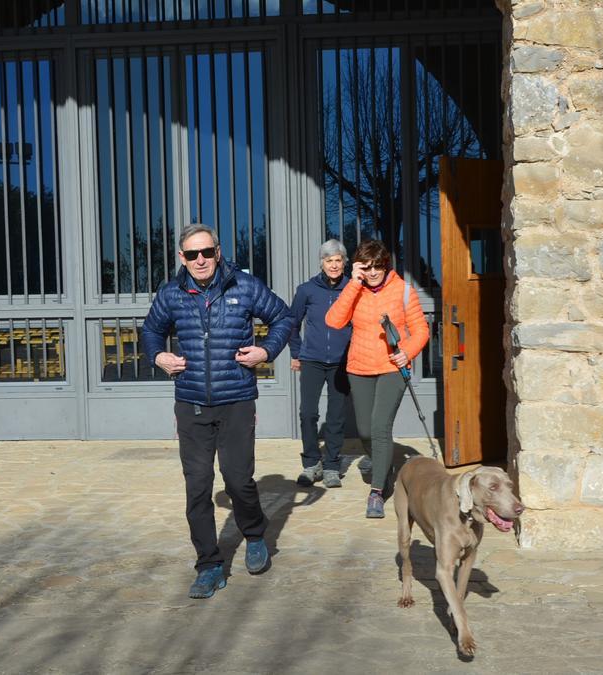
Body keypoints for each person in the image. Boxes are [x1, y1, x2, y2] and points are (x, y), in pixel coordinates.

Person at [142, 223, 295, 599]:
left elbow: (284, 317)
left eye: (206, 252)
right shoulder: (172, 293)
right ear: (182, 258)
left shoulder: (244, 287)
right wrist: (159, 355)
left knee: (238, 478)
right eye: (192, 254)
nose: (200, 260)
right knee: (197, 487)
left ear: (218, 252)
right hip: (191, 403)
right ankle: (209, 565)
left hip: (237, 401)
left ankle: (255, 533)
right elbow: (150, 331)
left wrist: (266, 351)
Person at [325, 239, 429, 519]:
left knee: (380, 427)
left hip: (391, 368)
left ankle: (377, 492)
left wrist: (406, 352)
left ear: (386, 266)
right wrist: (353, 283)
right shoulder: (355, 289)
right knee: (365, 431)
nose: (373, 273)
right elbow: (333, 321)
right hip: (359, 367)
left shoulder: (404, 291)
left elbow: (420, 330)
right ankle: (385, 465)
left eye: (378, 267)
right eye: (367, 267)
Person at [288, 239, 353, 488]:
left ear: (344, 262)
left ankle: (332, 467)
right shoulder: (306, 290)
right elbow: (292, 323)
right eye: (329, 260)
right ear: (322, 263)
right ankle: (311, 463)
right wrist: (296, 352)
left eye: (338, 260)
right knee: (308, 413)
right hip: (312, 360)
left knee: (336, 416)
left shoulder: (352, 289)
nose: (334, 265)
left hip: (341, 362)